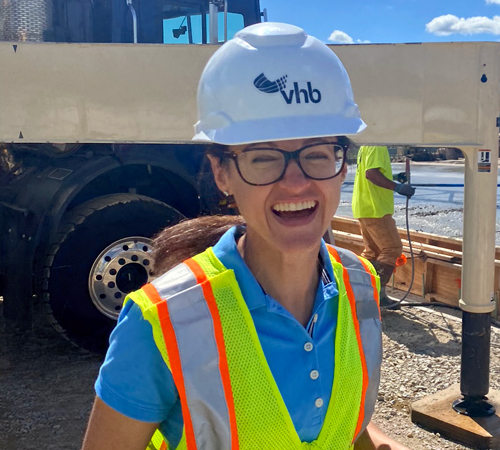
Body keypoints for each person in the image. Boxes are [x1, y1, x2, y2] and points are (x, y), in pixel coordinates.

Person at [82, 22, 411, 450]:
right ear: (222, 173)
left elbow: (344, 429)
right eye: (263, 158)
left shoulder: (360, 285)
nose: (296, 183)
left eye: (315, 153)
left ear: (341, 165)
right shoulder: (161, 321)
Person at [351, 145, 414, 308]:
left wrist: (394, 177)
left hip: (364, 206)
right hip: (375, 208)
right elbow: (371, 174)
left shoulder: (366, 144)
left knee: (373, 252)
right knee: (392, 248)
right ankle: (376, 296)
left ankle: (363, 293)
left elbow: (372, 172)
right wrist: (397, 187)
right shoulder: (377, 144)